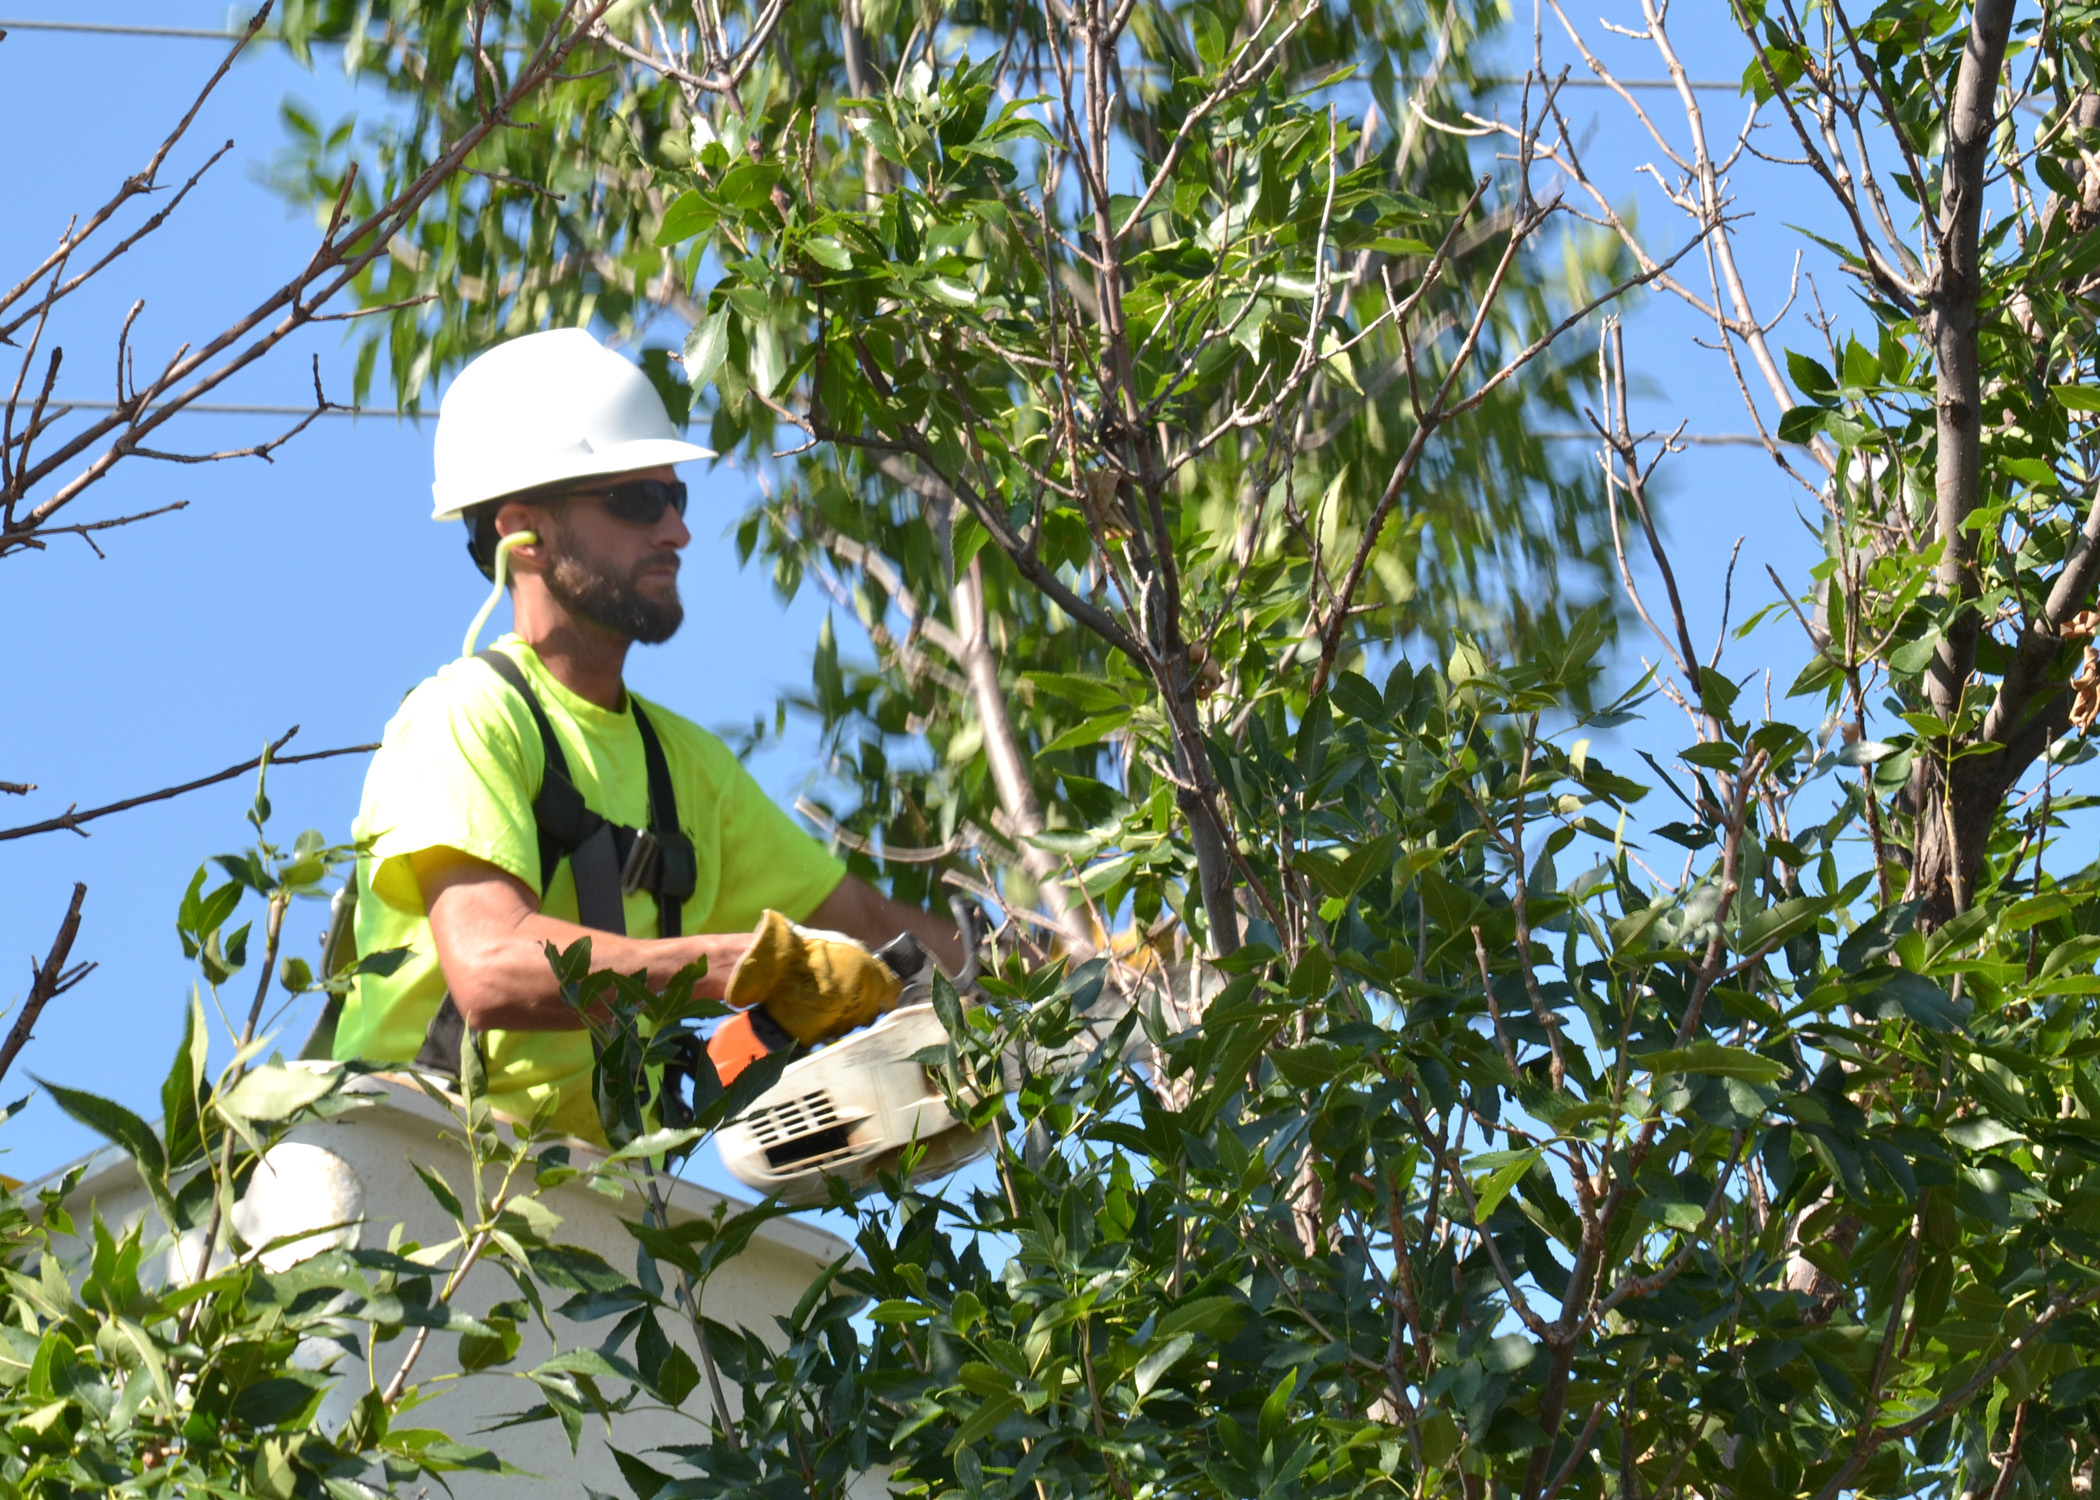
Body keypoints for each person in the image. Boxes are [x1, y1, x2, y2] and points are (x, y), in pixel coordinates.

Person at [329, 328, 961, 1142]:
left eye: (677, 499)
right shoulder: (464, 719)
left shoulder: (686, 768)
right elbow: (489, 966)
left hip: (599, 1224)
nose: (676, 532)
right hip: (416, 1190)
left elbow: (868, 926)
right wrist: (738, 967)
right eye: (636, 501)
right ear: (526, 533)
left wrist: (1057, 967)